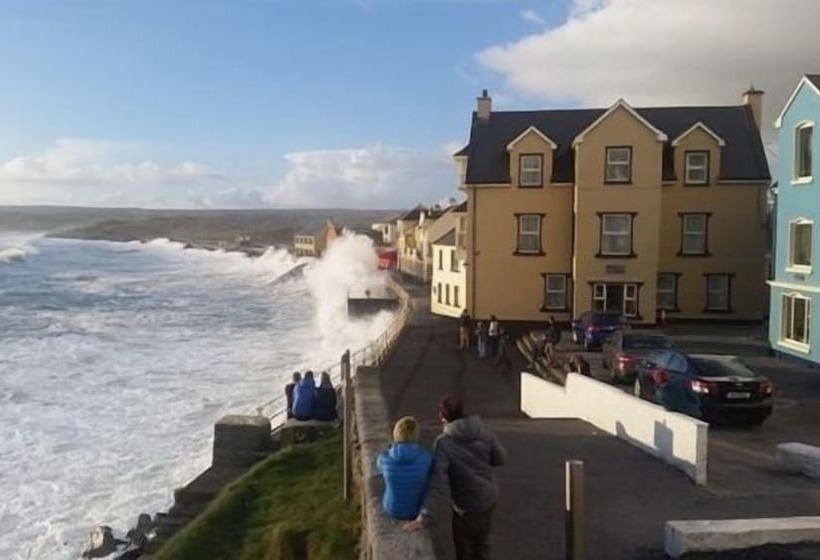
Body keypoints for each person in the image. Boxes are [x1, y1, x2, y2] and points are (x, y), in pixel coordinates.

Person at [404, 397, 507, 560]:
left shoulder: (444, 443)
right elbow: (500, 458)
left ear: (442, 417)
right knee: (483, 543)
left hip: (466, 505)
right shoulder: (483, 430)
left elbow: (438, 483)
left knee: (464, 548)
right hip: (488, 497)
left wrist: (425, 516)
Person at [376, 416, 433, 520]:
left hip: (392, 508)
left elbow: (379, 466)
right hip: (416, 509)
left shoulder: (384, 460)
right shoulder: (426, 458)